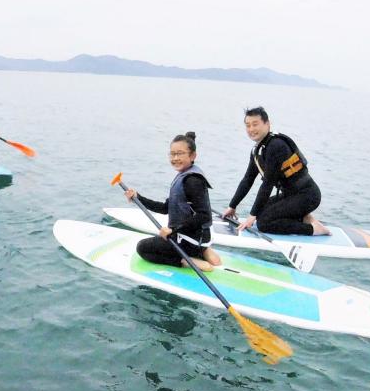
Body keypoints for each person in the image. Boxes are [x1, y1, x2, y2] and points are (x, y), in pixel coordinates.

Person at [222, 107, 329, 236]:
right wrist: (232, 206)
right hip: (291, 195)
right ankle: (304, 218)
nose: (251, 129)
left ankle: (314, 230)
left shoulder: (276, 146)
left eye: (255, 124)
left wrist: (251, 216)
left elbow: (267, 184)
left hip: (307, 196)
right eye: (248, 126)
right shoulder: (258, 150)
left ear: (267, 124)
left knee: (264, 223)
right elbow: (247, 180)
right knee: (260, 213)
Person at [124, 131, 222, 272]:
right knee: (161, 241)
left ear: (192, 155)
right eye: (172, 154)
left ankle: (187, 260)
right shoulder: (185, 176)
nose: (175, 158)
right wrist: (138, 198)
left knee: (142, 248)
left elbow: (204, 216)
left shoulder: (192, 181)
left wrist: (173, 230)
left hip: (188, 240)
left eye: (180, 153)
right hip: (197, 238)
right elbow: (165, 208)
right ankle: (204, 251)